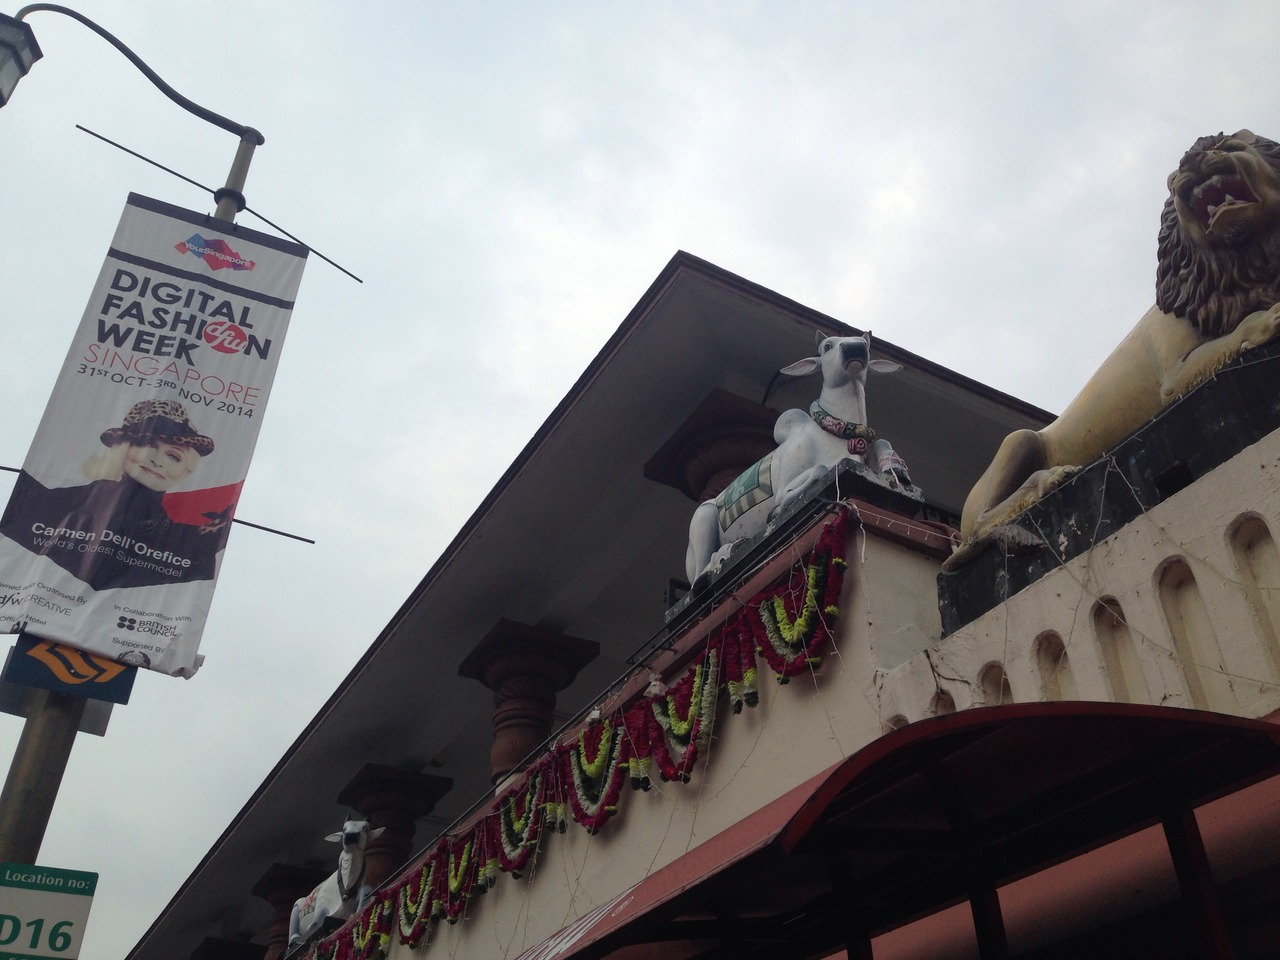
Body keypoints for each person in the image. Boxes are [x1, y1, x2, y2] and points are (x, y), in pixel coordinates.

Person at [0, 400, 229, 590]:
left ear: (185, 471)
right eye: (147, 445)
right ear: (124, 447)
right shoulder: (57, 504)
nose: (157, 461)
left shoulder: (190, 545)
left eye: (174, 456)